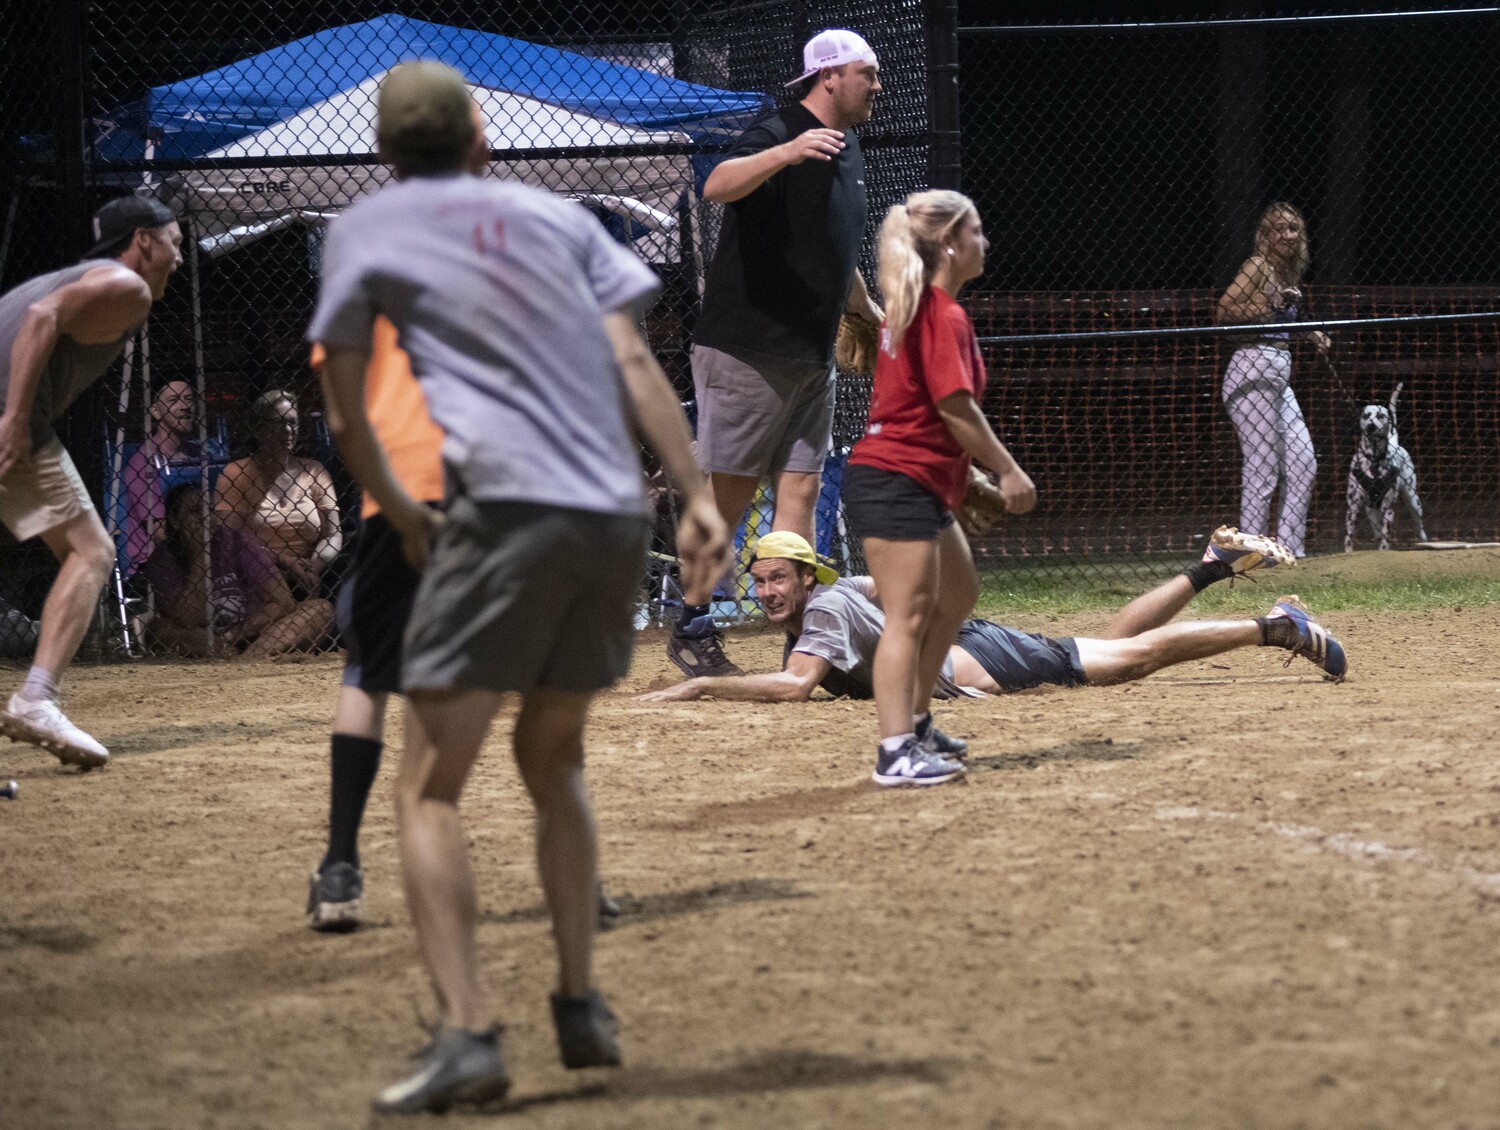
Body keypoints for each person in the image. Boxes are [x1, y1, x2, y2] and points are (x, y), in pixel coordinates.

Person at [309, 62, 729, 1114]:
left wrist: (404, 513)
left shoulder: (367, 228)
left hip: (496, 509)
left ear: (386, 155)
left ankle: (467, 1035)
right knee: (554, 754)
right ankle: (581, 1000)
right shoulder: (553, 217)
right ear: (481, 139)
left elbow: (349, 408)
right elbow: (633, 359)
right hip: (606, 512)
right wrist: (696, 495)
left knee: (428, 785)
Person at [669, 28, 885, 680]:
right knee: (728, 498)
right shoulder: (783, 127)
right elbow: (718, 186)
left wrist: (864, 307)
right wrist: (786, 151)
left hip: (809, 354)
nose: (878, 85)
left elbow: (834, 242)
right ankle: (693, 622)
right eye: (866, 73)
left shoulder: (847, 147)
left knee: (800, 489)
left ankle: (799, 631)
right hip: (747, 349)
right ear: (829, 76)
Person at [642, 527, 1347, 708]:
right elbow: (887, 588)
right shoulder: (834, 595)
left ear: (805, 577)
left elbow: (795, 687)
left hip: (974, 660)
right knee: (1107, 644)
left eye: (778, 580)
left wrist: (700, 685)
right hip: (969, 645)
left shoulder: (820, 611)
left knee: (1127, 661)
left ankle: (1275, 624)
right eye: (759, 582)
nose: (766, 592)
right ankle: (1214, 565)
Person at [839, 190, 1035, 787]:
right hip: (894, 481)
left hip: (911, 478)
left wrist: (965, 473)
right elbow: (954, 408)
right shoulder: (940, 312)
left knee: (958, 596)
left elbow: (917, 408)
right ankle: (895, 750)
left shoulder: (920, 307)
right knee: (910, 614)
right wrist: (1005, 468)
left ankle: (916, 722)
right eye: (976, 231)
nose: (985, 241)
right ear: (950, 242)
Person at [0, 195, 183, 768]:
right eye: (174, 241)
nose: (179, 256)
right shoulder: (124, 287)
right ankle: (37, 698)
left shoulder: (78, 276)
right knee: (92, 550)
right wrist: (12, 420)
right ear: (144, 241)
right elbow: (41, 319)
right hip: (11, 418)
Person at [1216, 202, 1332, 559]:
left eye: (1292, 229)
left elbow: (1282, 317)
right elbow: (1225, 310)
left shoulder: (1286, 274)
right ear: (1264, 236)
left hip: (1277, 373)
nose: (1286, 235)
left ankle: (1287, 551)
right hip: (1251, 371)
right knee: (1262, 465)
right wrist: (1271, 305)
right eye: (1278, 229)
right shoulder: (1258, 266)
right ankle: (1250, 553)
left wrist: (1309, 331)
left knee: (1303, 462)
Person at [141, 483, 332, 658]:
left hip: (255, 634)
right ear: (175, 521)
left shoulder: (236, 540)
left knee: (320, 609)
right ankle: (234, 659)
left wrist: (234, 635)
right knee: (156, 630)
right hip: (201, 641)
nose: (204, 518)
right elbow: (187, 619)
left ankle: (247, 662)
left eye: (209, 510)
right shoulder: (163, 558)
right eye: (194, 511)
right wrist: (201, 556)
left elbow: (282, 601)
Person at [215, 388, 342, 598]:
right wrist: (286, 562)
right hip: (257, 574)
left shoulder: (314, 471)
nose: (287, 430)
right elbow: (229, 539)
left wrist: (312, 567)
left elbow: (333, 534)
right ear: (259, 429)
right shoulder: (236, 474)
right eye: (278, 422)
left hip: (310, 573)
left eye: (292, 422)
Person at [121, 379, 227, 571]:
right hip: (160, 563)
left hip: (207, 550)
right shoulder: (143, 463)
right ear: (155, 411)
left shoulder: (200, 455)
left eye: (189, 399)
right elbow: (160, 533)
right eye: (174, 400)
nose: (185, 406)